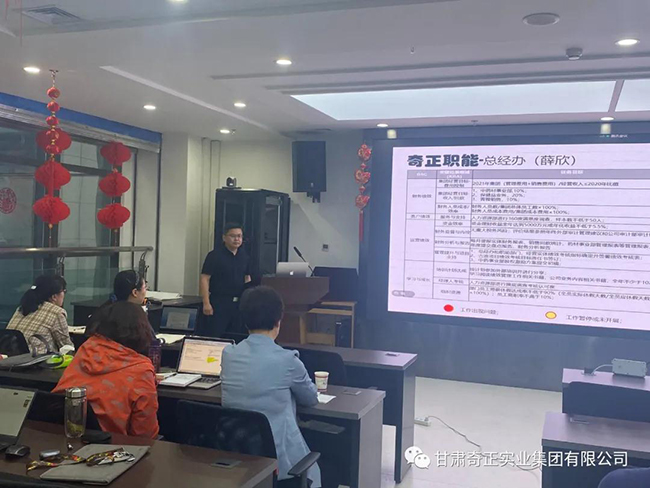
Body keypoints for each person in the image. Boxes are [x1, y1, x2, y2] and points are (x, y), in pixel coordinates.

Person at [220, 286, 321, 488]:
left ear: (244, 320)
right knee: (315, 469)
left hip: (236, 459)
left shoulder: (228, 354)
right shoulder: (288, 360)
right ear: (278, 321)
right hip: (279, 465)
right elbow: (310, 398)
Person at [53, 301, 159, 439]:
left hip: (61, 439)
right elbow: (145, 434)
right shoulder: (141, 370)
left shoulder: (85, 350)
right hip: (112, 446)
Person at [199, 223, 251, 337]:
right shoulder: (214, 255)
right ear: (224, 237)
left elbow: (247, 278)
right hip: (219, 303)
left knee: (237, 335)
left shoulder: (244, 256)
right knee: (216, 335)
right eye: (233, 236)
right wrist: (206, 303)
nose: (237, 239)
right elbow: (205, 278)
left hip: (239, 304)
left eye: (239, 236)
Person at [7, 275, 74, 355]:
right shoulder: (56, 312)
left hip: (10, 358)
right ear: (54, 297)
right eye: (64, 291)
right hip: (36, 359)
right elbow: (66, 347)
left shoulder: (22, 307)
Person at [86, 270, 148, 336]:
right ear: (135, 292)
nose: (146, 290)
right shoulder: (135, 318)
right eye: (145, 287)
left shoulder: (102, 312)